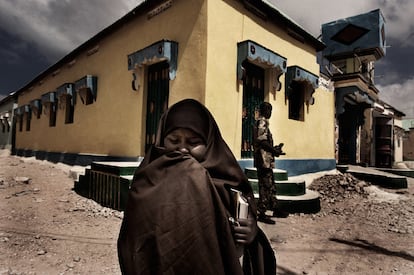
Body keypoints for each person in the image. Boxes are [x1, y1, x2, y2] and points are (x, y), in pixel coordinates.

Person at [118, 99, 276, 275]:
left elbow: (246, 242)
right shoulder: (147, 181)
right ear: (162, 140)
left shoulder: (228, 181)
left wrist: (251, 233)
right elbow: (133, 242)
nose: (183, 149)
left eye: (193, 142)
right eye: (174, 140)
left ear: (209, 142)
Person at [253, 102, 287, 225]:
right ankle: (261, 213)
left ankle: (275, 208)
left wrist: (275, 149)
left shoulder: (263, 122)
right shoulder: (262, 122)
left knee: (271, 184)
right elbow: (262, 142)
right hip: (263, 160)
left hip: (266, 160)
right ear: (264, 111)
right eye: (268, 110)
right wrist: (274, 150)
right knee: (265, 186)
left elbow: (265, 142)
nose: (270, 112)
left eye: (271, 110)